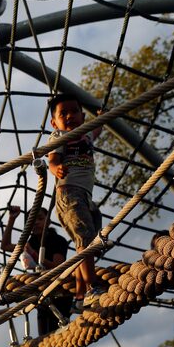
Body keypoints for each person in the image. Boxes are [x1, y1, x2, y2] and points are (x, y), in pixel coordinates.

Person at [1, 204, 79, 347]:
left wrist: (35, 255)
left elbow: (58, 265)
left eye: (39, 219)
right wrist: (12, 219)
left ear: (47, 221)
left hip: (59, 295)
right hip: (41, 297)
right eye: (32, 220)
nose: (35, 223)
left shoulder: (57, 240)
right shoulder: (29, 242)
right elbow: (5, 245)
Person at [47, 93, 106, 308]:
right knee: (85, 241)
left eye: (74, 112)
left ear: (82, 116)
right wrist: (56, 169)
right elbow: (52, 159)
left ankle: (79, 298)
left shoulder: (87, 135)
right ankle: (92, 287)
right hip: (68, 194)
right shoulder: (59, 136)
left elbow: (99, 127)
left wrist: (101, 114)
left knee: (90, 243)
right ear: (55, 122)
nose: (70, 116)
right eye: (63, 113)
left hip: (86, 198)